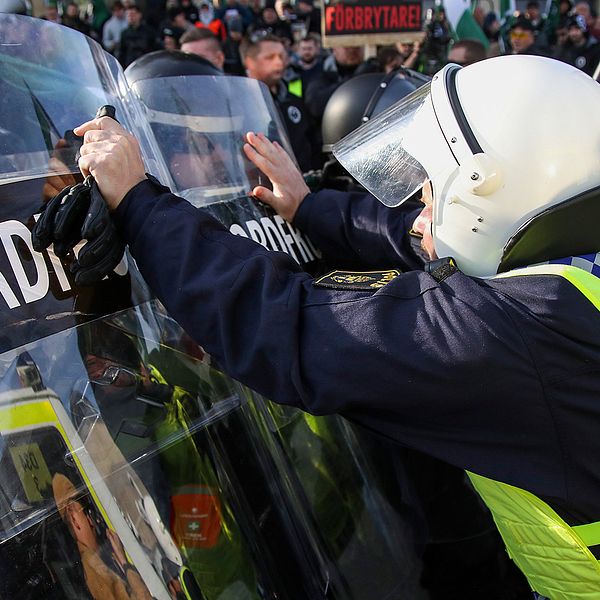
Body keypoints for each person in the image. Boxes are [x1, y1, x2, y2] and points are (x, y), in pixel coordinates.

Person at [72, 54, 600, 599]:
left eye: (430, 193)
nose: (420, 217)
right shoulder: (567, 274)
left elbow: (286, 322)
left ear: (487, 188)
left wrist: (139, 203)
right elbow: (416, 240)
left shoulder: (516, 331)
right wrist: (308, 207)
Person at [53, 473, 153, 600]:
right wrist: (124, 563)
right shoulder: (94, 572)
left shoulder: (99, 559)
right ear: (75, 521)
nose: (92, 519)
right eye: (85, 513)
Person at [240, 33, 321, 172]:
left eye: (282, 56)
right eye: (270, 57)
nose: (279, 62)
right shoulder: (239, 103)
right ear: (249, 62)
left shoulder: (293, 100)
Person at [118, 3, 160, 68]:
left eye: (133, 14)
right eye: (128, 15)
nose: (130, 17)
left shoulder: (149, 32)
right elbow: (122, 53)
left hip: (146, 65)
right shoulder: (124, 33)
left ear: (139, 15)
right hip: (129, 66)